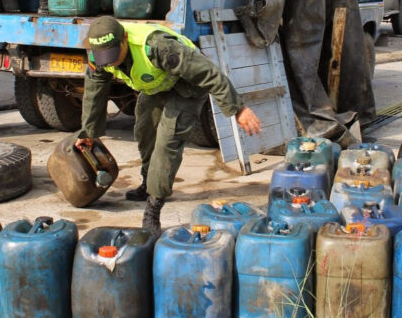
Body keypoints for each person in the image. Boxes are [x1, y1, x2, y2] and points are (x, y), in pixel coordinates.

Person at [74, 16, 262, 236]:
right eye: (104, 56)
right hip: (157, 85)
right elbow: (95, 91)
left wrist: (237, 108)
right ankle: (148, 183)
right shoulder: (99, 57)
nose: (110, 62)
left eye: (113, 54)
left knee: (167, 141)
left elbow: (208, 73)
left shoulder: (159, 47)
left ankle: (154, 205)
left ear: (124, 38)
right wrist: (88, 132)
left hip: (186, 86)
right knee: (145, 132)